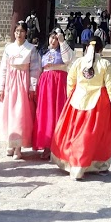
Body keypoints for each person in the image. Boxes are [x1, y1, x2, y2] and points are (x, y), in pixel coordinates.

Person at [51, 34, 111, 180]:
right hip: (98, 104)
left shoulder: (78, 63)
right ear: (101, 49)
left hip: (78, 100)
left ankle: (74, 163)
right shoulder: (105, 64)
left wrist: (71, 95)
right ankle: (97, 164)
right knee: (96, 135)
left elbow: (71, 81)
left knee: (76, 132)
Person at [0, 20, 41, 158]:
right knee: (8, 113)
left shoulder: (31, 49)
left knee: (20, 115)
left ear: (26, 33)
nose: (19, 34)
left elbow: (35, 69)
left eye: (22, 31)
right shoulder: (8, 48)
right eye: (17, 31)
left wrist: (32, 87)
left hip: (23, 82)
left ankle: (19, 147)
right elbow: (3, 68)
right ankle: (10, 143)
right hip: (10, 82)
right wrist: (1, 87)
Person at [32, 28, 74, 160]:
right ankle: (46, 145)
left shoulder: (64, 51)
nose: (53, 40)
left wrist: (62, 42)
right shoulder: (42, 52)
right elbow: (38, 68)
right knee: (46, 113)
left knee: (59, 112)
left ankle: (59, 145)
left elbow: (69, 60)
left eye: (56, 38)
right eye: (52, 37)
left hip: (59, 82)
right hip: (45, 84)